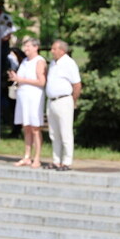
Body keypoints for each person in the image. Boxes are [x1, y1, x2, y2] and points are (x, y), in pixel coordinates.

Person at [8, 38, 46, 168]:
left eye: (28, 46)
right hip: (23, 97)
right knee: (26, 127)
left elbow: (41, 82)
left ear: (36, 47)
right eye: (25, 46)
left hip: (34, 97)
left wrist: (21, 79)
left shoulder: (39, 61)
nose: (26, 49)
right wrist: (15, 78)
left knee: (35, 128)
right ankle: (27, 156)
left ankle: (37, 157)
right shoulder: (24, 61)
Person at [45, 40, 82, 171]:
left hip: (64, 100)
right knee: (54, 133)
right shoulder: (53, 64)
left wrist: (73, 100)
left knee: (65, 132)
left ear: (62, 50)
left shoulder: (69, 63)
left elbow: (77, 84)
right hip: (52, 101)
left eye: (54, 49)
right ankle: (56, 160)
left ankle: (67, 161)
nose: (52, 51)